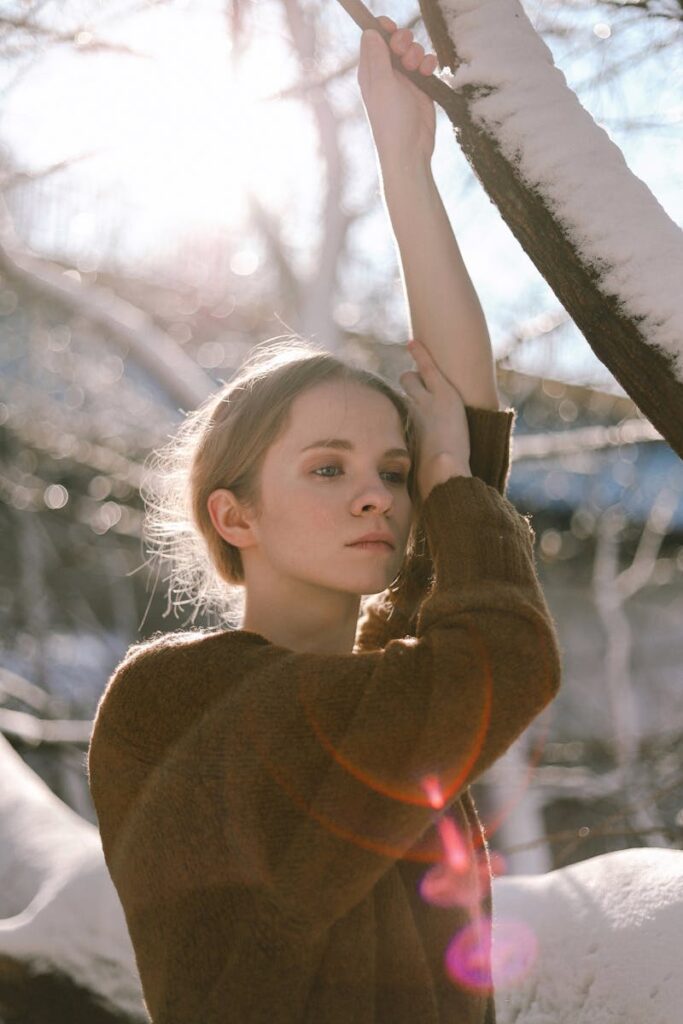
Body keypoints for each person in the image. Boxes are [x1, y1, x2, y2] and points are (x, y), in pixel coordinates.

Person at [87, 16, 562, 1024]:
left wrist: (402, 158)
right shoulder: (172, 702)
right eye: (326, 467)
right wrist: (450, 484)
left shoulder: (380, 700)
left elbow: (463, 445)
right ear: (234, 513)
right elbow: (498, 655)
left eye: (392, 472)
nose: (377, 496)